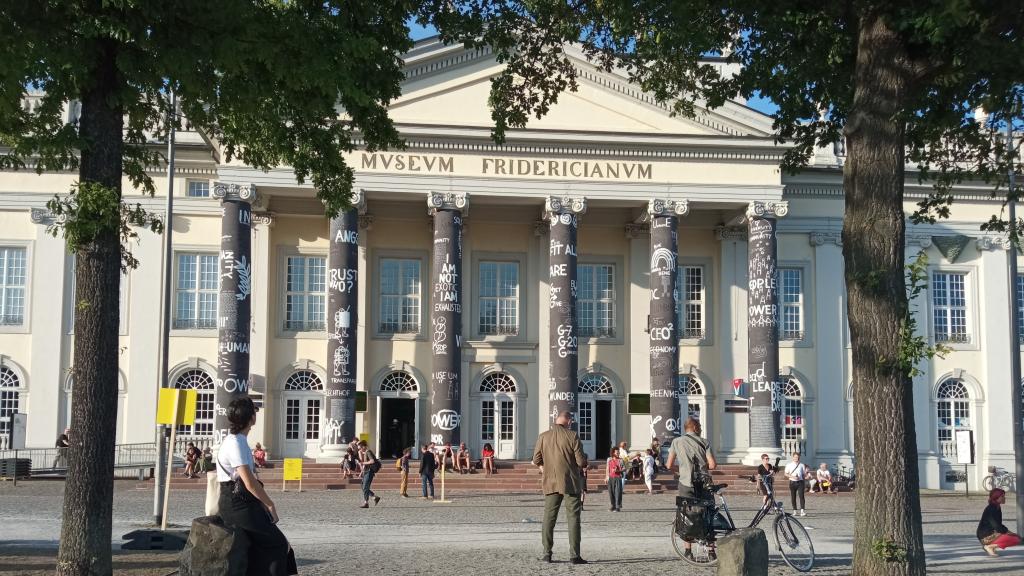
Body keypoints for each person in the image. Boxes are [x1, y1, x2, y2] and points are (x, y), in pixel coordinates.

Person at [216, 396, 290, 576]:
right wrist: (270, 504)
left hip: (240, 501)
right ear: (251, 418)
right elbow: (248, 482)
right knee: (277, 543)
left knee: (258, 546)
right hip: (237, 503)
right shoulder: (236, 443)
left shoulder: (237, 440)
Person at [533, 411, 588, 564]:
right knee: (573, 518)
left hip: (550, 482)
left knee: (549, 518)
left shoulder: (543, 436)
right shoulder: (573, 436)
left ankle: (546, 553)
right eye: (570, 420)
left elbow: (536, 459)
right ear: (568, 421)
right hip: (570, 482)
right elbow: (580, 462)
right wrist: (585, 461)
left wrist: (546, 471)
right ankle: (574, 555)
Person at [666, 417, 717, 561]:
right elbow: (713, 465)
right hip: (704, 484)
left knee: (686, 515)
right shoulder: (704, 441)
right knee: (709, 514)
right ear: (694, 427)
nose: (700, 428)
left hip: (685, 484)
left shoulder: (676, 442)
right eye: (699, 426)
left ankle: (688, 551)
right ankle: (711, 551)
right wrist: (702, 467)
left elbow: (669, 465)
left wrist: (682, 470)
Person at [978, 488, 1020, 556]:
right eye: (1002, 496)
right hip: (985, 536)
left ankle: (991, 546)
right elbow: (997, 526)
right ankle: (989, 547)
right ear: (996, 497)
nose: (1004, 498)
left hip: (991, 533)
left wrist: (1009, 532)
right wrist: (1008, 533)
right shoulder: (991, 509)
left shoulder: (997, 507)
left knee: (1016, 537)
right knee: (1016, 539)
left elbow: (999, 524)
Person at [357, 440, 382, 508]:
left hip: (369, 472)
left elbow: (372, 461)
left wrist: (363, 463)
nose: (359, 449)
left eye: (359, 448)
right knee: (363, 486)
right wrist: (361, 472)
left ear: (363, 446)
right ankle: (374, 497)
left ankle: (366, 503)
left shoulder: (368, 452)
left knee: (365, 487)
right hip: (366, 471)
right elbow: (364, 464)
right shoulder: (365, 453)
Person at [784, 452, 808, 517]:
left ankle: (802, 511)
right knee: (793, 496)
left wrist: (805, 479)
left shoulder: (802, 465)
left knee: (801, 496)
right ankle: (794, 511)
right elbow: (786, 474)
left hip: (800, 482)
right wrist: (792, 477)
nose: (796, 458)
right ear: (793, 457)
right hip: (792, 482)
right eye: (795, 457)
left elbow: (803, 474)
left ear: (799, 457)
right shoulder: (789, 465)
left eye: (797, 457)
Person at [606, 447, 625, 511]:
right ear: (613, 453)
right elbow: (607, 469)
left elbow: (624, 469)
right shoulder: (609, 459)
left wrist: (618, 470)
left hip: (618, 477)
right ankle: (612, 505)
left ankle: (618, 506)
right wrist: (606, 477)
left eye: (619, 452)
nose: (618, 453)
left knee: (618, 492)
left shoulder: (621, 460)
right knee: (611, 493)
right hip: (610, 478)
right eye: (617, 452)